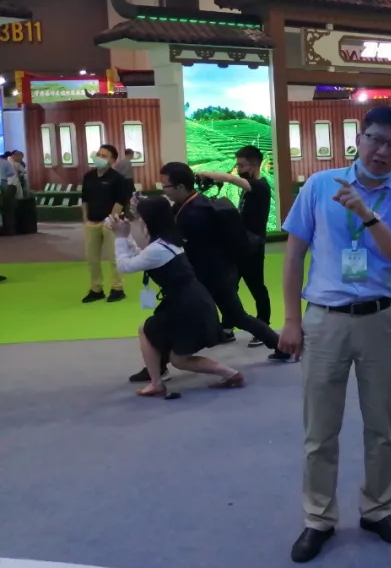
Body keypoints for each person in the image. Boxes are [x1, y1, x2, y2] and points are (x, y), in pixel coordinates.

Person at [279, 106, 391, 564]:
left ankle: (377, 509)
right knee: (319, 429)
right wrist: (291, 319)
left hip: (380, 321)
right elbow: (294, 254)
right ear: (359, 138)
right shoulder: (319, 185)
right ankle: (318, 518)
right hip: (324, 319)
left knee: (382, 425)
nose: (382, 151)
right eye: (375, 139)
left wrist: (366, 214)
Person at [128, 162, 283, 384]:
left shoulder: (193, 213)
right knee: (230, 316)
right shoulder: (190, 205)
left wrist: (144, 216)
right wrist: (145, 208)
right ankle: (158, 366)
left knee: (233, 316)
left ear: (181, 187)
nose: (164, 190)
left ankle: (281, 345)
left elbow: (168, 236)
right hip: (209, 275)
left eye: (165, 186)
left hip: (210, 277)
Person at [110, 197, 243, 397]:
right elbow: (140, 256)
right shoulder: (168, 242)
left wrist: (120, 238)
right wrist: (126, 235)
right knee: (178, 358)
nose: (138, 222)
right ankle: (231, 373)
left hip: (187, 305)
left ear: (149, 221)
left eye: (140, 218)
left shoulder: (157, 249)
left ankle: (157, 383)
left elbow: (124, 266)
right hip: (192, 301)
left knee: (149, 333)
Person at [199, 145, 273, 344]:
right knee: (229, 288)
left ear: (253, 166)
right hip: (240, 244)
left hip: (253, 247)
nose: (238, 169)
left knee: (256, 288)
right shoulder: (251, 188)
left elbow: (231, 179)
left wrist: (206, 173)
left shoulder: (260, 187)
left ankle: (263, 327)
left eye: (241, 165)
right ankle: (227, 327)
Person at [80, 144, 131, 303]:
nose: (99, 158)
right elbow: (84, 199)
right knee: (92, 259)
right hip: (91, 223)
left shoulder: (118, 179)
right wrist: (85, 219)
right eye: (98, 154)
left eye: (104, 156)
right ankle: (96, 289)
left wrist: (110, 220)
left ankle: (117, 288)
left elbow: (120, 202)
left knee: (114, 257)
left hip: (110, 223)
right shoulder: (88, 177)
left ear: (112, 160)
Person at [0, 152, 16, 236]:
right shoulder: (5, 162)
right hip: (3, 181)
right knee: (4, 202)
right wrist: (5, 174)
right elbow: (12, 172)